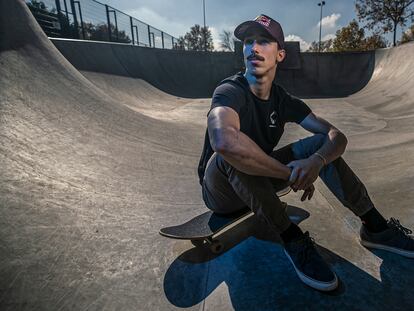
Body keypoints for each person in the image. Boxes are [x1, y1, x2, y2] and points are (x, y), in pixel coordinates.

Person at [197, 14, 414, 292]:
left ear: (280, 54)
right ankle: (292, 239)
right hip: (221, 192)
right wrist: (292, 173)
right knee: (230, 153)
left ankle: (375, 226)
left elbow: (336, 136)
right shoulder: (229, 90)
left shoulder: (283, 100)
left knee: (318, 144)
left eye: (263, 41)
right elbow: (224, 142)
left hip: (261, 181)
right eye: (248, 42)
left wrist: (316, 161)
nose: (254, 48)